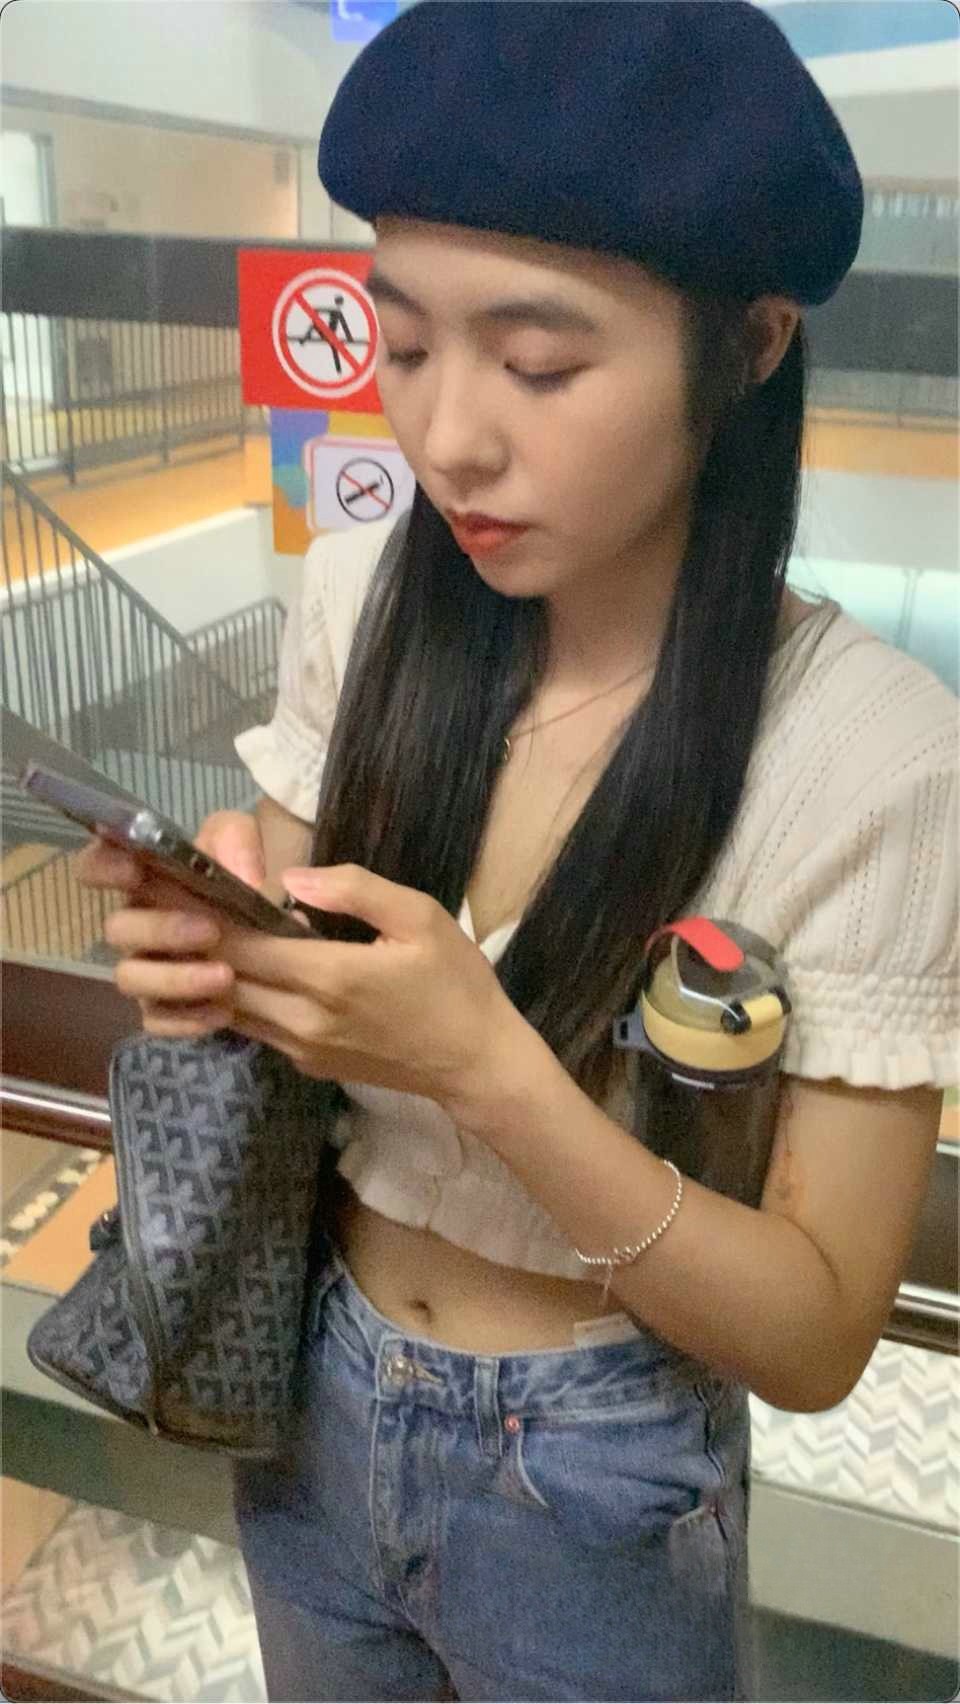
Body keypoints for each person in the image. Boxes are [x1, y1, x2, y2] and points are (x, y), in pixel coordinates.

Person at [77, 4, 958, 1699]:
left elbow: (816, 1335)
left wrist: (490, 1073)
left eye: (540, 365)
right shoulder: (364, 594)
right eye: (402, 342)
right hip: (310, 1389)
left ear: (751, 345)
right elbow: (311, 965)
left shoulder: (873, 759)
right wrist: (222, 950)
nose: (449, 439)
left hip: (598, 1467)